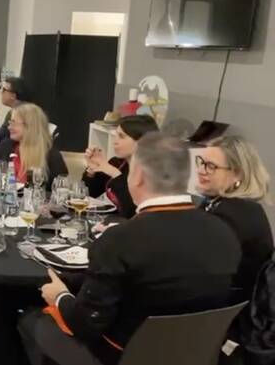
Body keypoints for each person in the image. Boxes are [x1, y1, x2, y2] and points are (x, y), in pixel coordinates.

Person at [19, 132, 241, 365]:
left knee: (31, 321)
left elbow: (87, 323)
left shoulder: (120, 239)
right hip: (193, 354)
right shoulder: (224, 232)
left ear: (139, 175)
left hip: (123, 354)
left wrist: (60, 297)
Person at [196, 135, 273, 302]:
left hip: (230, 307)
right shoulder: (224, 204)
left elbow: (200, 265)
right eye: (201, 162)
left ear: (237, 174)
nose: (201, 170)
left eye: (211, 166)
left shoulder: (231, 214)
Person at [82, 115, 158, 218]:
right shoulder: (117, 163)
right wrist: (92, 170)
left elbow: (132, 212)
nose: (115, 141)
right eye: (116, 135)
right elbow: (88, 195)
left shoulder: (152, 172)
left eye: (121, 136)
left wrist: (116, 174)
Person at [0, 103, 67, 189]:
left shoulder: (52, 156)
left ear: (30, 126)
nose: (9, 127)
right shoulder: (5, 148)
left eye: (14, 123)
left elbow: (61, 189)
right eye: (10, 123)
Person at [0, 77, 28, 141]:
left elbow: (0, 135)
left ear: (13, 96)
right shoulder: (23, 109)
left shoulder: (18, 113)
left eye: (4, 90)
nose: (1, 93)